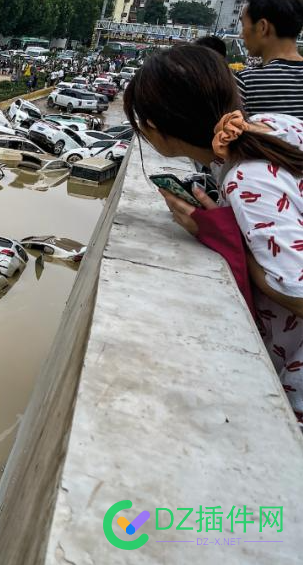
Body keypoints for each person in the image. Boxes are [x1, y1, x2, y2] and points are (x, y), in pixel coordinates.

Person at [124, 45, 303, 424]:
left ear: (155, 125)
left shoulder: (245, 175)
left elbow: (294, 289)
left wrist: (221, 233)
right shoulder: (273, 125)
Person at [235, 0, 303, 119]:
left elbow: (228, 132)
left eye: (243, 25)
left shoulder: (246, 81)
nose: (241, 35)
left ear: (262, 27)